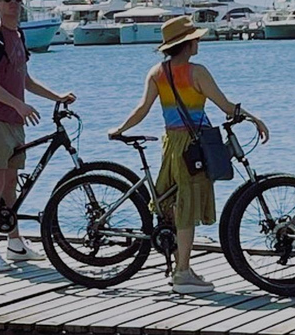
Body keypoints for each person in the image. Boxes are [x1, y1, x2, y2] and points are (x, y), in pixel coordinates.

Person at [109, 16, 269, 294]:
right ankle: (182, 272)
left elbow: (143, 108)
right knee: (187, 207)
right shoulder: (198, 72)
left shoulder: (157, 72)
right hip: (193, 145)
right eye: (195, 38)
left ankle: (180, 265)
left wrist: (121, 128)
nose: (199, 41)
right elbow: (226, 107)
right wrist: (255, 119)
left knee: (173, 203)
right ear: (188, 43)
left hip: (171, 142)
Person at [0, 0, 76, 272]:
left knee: (11, 183)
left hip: (15, 121)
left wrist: (56, 96)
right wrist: (18, 105)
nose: (13, 3)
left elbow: (26, 81)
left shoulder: (18, 35)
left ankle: (15, 242)